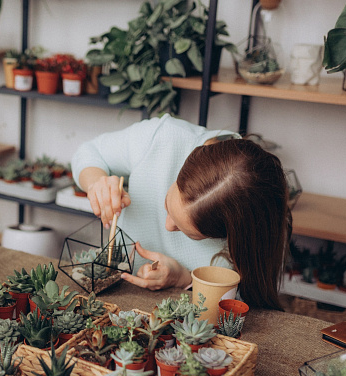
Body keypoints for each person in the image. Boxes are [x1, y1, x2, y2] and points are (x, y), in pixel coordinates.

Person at [71, 114, 291, 310]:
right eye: (168, 204)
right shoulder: (164, 137)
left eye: (189, 234)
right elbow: (89, 152)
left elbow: (239, 305)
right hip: (112, 293)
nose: (167, 226)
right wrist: (96, 183)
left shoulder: (257, 231)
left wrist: (182, 278)